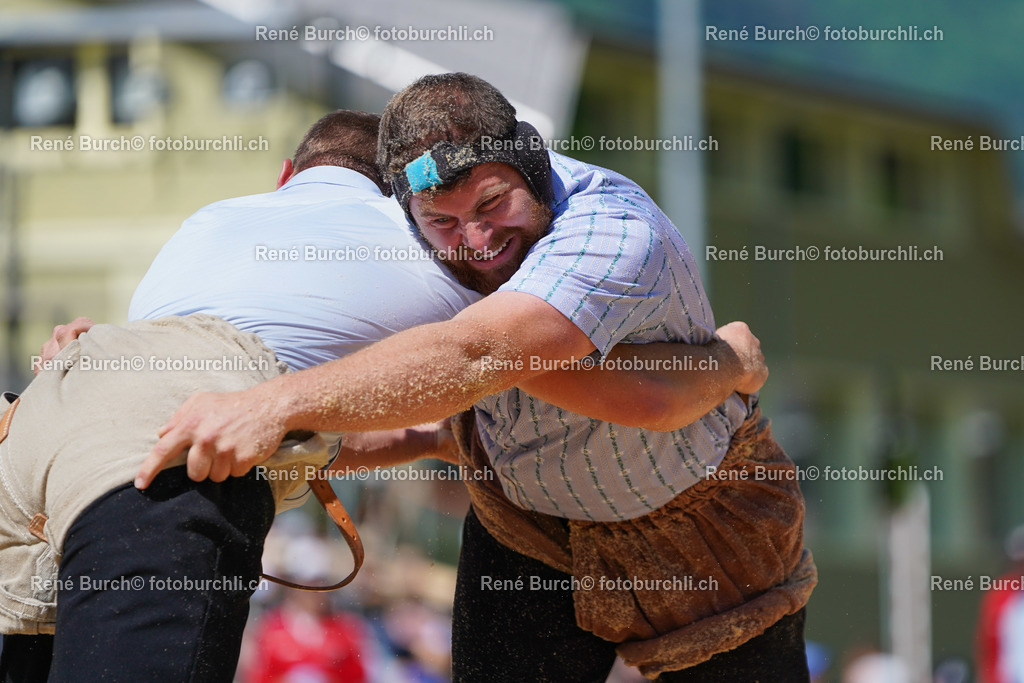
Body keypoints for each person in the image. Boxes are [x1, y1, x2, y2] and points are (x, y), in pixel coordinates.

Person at [0, 107, 764, 682]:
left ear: (285, 178)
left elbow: (293, 403)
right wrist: (729, 358)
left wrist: (436, 439)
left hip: (41, 419)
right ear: (405, 198)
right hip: (152, 456)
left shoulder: (212, 223)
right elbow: (625, 389)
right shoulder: (430, 252)